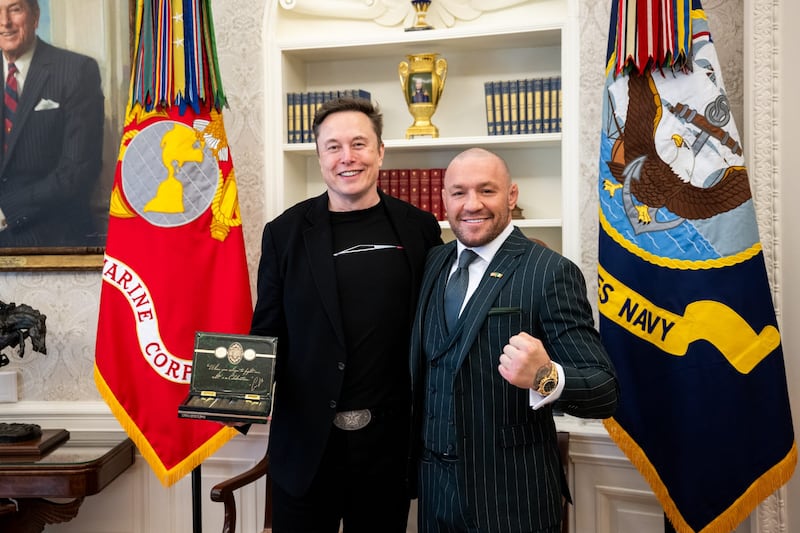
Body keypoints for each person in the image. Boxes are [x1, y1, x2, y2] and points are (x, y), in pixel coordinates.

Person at [250, 96, 442, 532]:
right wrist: (234, 396)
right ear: (319, 156)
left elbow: (434, 328)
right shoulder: (285, 233)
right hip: (305, 450)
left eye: (359, 143)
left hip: (388, 448)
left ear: (380, 151)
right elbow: (268, 331)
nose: (347, 157)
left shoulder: (419, 228)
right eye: (333, 146)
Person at [410, 147, 619, 533]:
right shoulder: (433, 263)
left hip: (510, 498)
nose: (472, 204)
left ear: (511, 196)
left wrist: (544, 375)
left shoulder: (550, 272)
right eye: (459, 192)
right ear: (444, 199)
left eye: (486, 191)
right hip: (434, 492)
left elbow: (604, 390)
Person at [0, 0, 104, 247]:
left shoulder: (77, 71)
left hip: (52, 238)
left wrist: (6, 211)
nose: (4, 22)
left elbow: (78, 172)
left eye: (14, 9)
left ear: (35, 16)